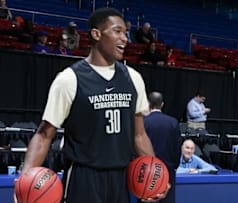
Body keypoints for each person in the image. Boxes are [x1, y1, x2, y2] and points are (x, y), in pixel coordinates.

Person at [15, 8, 169, 203]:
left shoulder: (133, 77)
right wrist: (25, 179)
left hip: (120, 178)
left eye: (125, 33)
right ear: (96, 34)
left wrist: (156, 174)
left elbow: (139, 135)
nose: (124, 38)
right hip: (83, 177)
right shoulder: (69, 79)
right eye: (117, 31)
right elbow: (44, 135)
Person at [142, 91, 182, 203]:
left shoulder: (144, 123)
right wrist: (174, 166)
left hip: (147, 172)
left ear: (148, 104)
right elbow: (177, 148)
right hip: (168, 171)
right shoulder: (173, 122)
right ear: (162, 104)